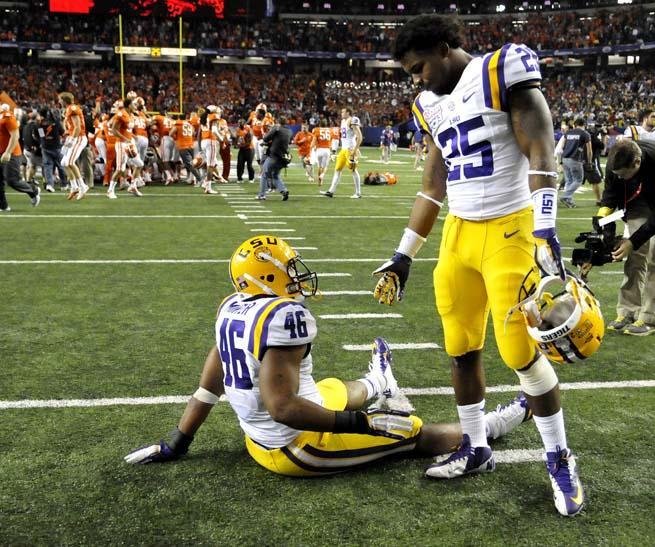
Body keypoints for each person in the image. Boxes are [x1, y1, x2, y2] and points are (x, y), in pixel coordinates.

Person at [372, 14, 584, 517]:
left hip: (509, 230)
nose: (416, 79)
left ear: (446, 48)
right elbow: (432, 185)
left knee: (519, 351)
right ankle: (475, 446)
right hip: (459, 235)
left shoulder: (498, 69)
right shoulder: (428, 104)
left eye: (420, 67)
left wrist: (546, 226)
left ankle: (559, 457)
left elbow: (540, 147)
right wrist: (404, 254)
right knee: (461, 347)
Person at [124, 235, 531, 474]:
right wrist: (362, 422)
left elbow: (209, 385)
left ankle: (379, 382)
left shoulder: (231, 305)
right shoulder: (284, 316)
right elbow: (283, 407)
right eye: (287, 270)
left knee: (327, 388)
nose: (297, 275)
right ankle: (496, 425)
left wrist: (178, 441)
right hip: (296, 448)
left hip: (256, 438)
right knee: (411, 432)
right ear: (265, 278)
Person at [597, 139, 655, 336]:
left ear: (637, 163)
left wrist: (632, 241)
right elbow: (610, 195)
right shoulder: (616, 162)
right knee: (635, 257)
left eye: (623, 175)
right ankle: (628, 312)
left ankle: (650, 319)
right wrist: (603, 226)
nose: (619, 178)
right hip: (641, 199)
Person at [0, 103, 40, 211]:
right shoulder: (30, 125)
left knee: (12, 181)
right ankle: (3, 206)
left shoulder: (7, 117)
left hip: (14, 152)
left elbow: (16, 135)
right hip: (29, 148)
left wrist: (8, 152)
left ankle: (34, 190)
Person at [321, 107, 363, 199]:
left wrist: (355, 150)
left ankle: (358, 193)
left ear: (348, 113)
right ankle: (331, 191)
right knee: (337, 170)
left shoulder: (352, 120)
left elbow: (359, 137)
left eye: (343, 112)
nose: (341, 113)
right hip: (343, 150)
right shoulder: (343, 122)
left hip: (350, 150)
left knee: (353, 170)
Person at [58, 92, 89, 201]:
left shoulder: (73, 108)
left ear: (64, 100)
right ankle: (74, 186)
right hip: (73, 137)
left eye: (60, 99)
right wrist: (67, 133)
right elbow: (70, 126)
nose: (59, 102)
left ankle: (82, 186)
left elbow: (77, 127)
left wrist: (71, 139)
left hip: (78, 138)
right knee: (63, 163)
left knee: (69, 162)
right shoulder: (68, 109)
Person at [559, 118, 592, 208]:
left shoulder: (568, 133)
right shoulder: (585, 134)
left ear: (575, 124)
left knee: (569, 180)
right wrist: (589, 162)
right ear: (584, 124)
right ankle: (565, 196)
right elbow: (589, 150)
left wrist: (561, 161)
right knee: (578, 180)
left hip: (565, 158)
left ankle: (569, 202)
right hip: (575, 159)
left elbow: (562, 147)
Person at [257, 116, 291, 201]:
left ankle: (261, 195)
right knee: (275, 175)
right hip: (283, 157)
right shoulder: (289, 130)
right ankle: (284, 190)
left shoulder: (277, 128)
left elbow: (266, 138)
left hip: (274, 156)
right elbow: (279, 141)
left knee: (264, 175)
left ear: (278, 121)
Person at [37, 106, 67, 192]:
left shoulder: (40, 124)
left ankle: (50, 184)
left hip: (45, 147)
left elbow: (41, 136)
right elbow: (63, 133)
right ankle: (64, 184)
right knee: (60, 166)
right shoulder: (57, 123)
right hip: (57, 147)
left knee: (48, 167)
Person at [311, 119, 333, 186]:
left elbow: (313, 142)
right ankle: (322, 176)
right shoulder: (330, 130)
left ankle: (320, 182)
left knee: (320, 167)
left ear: (320, 124)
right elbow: (330, 142)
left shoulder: (316, 130)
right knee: (325, 167)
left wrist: (311, 148)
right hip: (326, 150)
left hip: (318, 150)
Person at [235, 118, 255, 183]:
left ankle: (251, 178)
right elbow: (237, 138)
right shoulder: (238, 129)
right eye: (239, 124)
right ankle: (239, 178)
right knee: (240, 164)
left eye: (241, 124)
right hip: (242, 149)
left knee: (249, 165)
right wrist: (236, 144)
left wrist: (240, 146)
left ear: (244, 124)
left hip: (249, 149)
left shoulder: (248, 129)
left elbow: (249, 141)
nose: (240, 125)